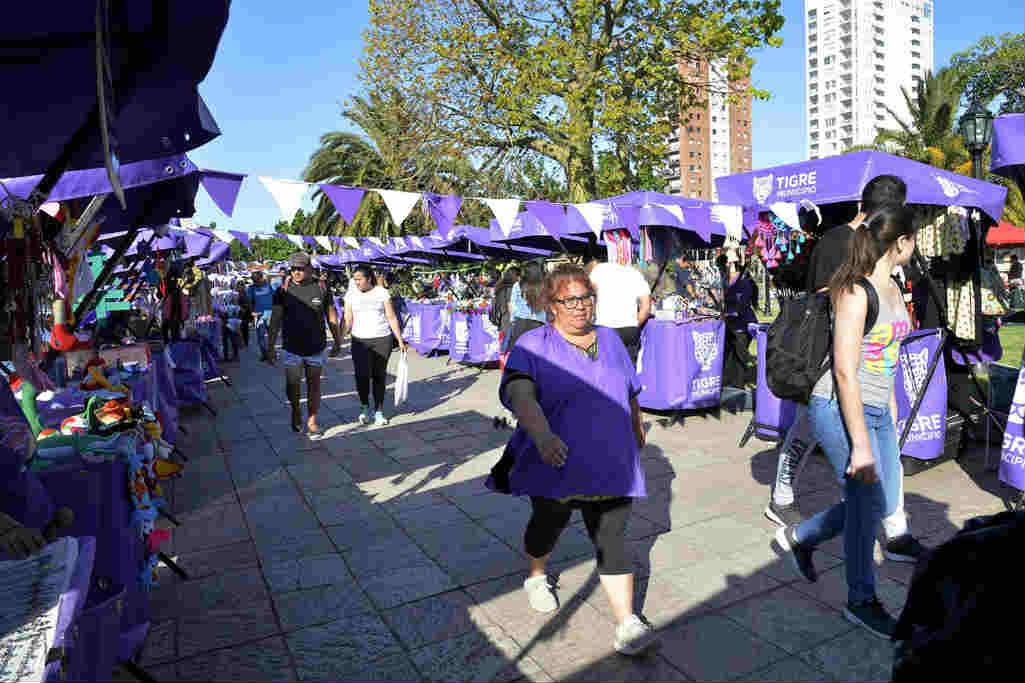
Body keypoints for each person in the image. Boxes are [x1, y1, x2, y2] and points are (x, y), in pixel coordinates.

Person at [490, 264, 659, 655]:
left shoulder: (612, 341)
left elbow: (629, 389)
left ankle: (626, 623)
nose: (581, 307)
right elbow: (519, 393)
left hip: (612, 460)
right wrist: (544, 435)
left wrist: (638, 428)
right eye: (570, 300)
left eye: (586, 298)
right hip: (557, 461)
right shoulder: (533, 345)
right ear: (551, 304)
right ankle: (536, 574)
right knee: (548, 525)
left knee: (612, 537)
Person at [767, 175, 927, 566]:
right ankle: (788, 508)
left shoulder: (884, 270)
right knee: (857, 492)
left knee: (870, 493)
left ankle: (890, 532)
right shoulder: (841, 248)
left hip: (863, 387)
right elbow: (833, 321)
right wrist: (859, 441)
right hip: (832, 378)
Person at [266, 253, 341, 436]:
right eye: (293, 269)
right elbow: (275, 319)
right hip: (291, 347)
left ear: (309, 268)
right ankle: (295, 410)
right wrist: (270, 346)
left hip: (316, 346)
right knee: (293, 385)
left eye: (300, 268)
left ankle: (312, 420)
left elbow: (331, 316)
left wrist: (337, 341)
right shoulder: (283, 290)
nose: (296, 272)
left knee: (314, 385)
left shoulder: (322, 288)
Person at [344, 265, 408, 426]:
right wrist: (338, 341)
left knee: (379, 376)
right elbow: (347, 319)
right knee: (362, 375)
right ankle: (365, 407)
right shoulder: (351, 295)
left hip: (382, 339)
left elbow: (391, 316)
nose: (356, 282)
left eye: (359, 279)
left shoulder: (382, 293)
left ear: (369, 278)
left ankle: (379, 411)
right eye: (355, 279)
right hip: (360, 340)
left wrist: (399, 339)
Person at [588, 259, 651, 364]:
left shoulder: (598, 270)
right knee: (629, 368)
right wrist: (634, 323)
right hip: (630, 329)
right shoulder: (635, 273)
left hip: (605, 327)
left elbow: (589, 296)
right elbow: (646, 307)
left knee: (606, 368)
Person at [720, 256, 757, 388]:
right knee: (729, 357)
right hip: (731, 325)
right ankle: (729, 386)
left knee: (740, 359)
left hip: (742, 326)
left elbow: (742, 305)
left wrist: (727, 314)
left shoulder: (743, 282)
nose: (724, 267)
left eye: (727, 264)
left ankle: (738, 387)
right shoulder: (727, 281)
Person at [505, 261, 547, 350]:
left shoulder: (518, 285)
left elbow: (512, 304)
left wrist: (512, 319)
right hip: (539, 324)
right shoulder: (545, 286)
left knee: (519, 356)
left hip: (521, 323)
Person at [248, 270, 277, 362]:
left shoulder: (270, 286)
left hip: (270, 313)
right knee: (260, 337)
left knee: (271, 335)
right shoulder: (251, 288)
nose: (255, 282)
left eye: (257, 280)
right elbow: (249, 302)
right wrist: (252, 312)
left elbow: (276, 298)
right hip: (259, 314)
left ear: (261, 278)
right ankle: (265, 354)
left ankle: (272, 353)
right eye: (254, 280)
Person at [236, 281, 252, 348]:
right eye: (239, 285)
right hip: (239, 314)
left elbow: (249, 304)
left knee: (244, 329)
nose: (240, 287)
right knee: (240, 329)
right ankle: (241, 343)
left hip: (245, 314)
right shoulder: (236, 294)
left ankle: (245, 343)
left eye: (241, 285)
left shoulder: (246, 294)